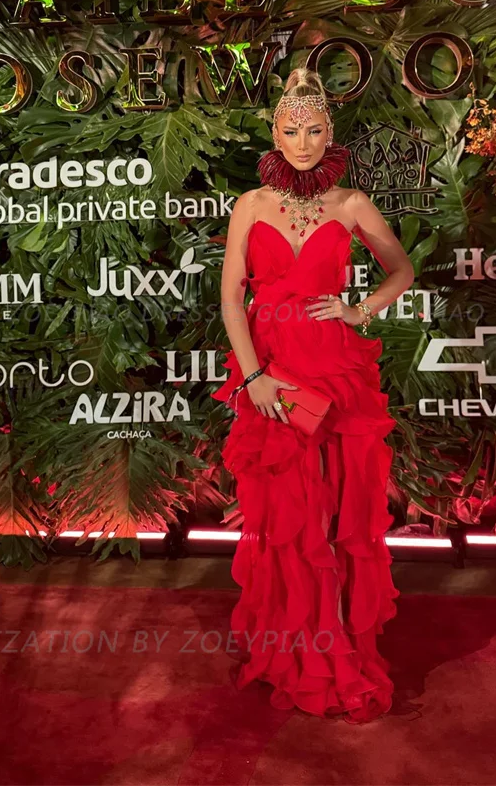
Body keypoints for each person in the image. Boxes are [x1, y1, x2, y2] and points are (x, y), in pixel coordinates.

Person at [212, 67, 415, 724]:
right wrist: (252, 377)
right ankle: (293, 648)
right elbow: (231, 298)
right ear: (274, 132)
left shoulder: (352, 203)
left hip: (335, 368)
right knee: (288, 522)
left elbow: (402, 268)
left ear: (332, 133)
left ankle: (339, 649)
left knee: (336, 519)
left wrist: (361, 310)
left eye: (316, 129)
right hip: (272, 370)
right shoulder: (249, 204)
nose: (303, 141)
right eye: (291, 129)